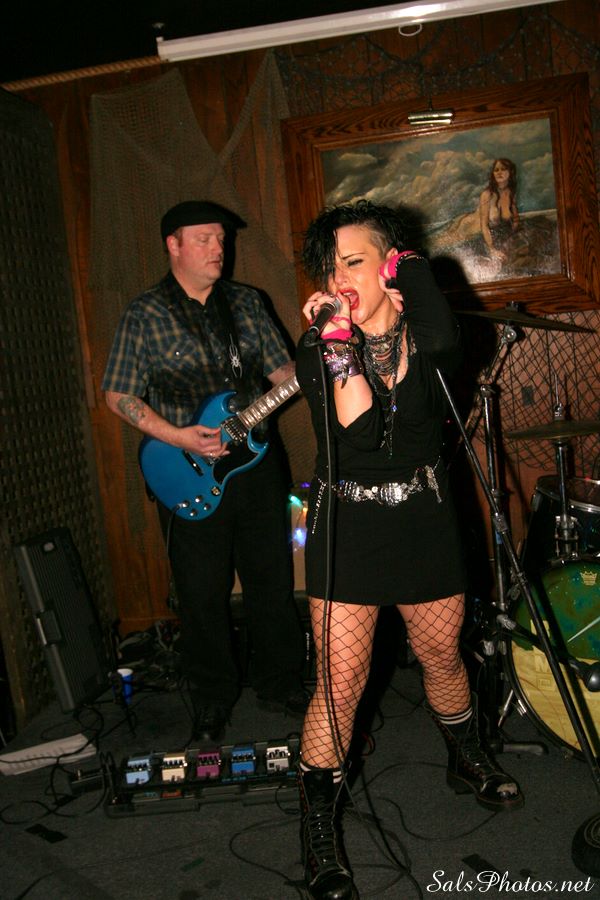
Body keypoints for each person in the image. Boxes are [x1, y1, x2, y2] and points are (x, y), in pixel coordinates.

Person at [294, 200, 523, 900]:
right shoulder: (319, 345)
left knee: (442, 656)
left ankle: (465, 753)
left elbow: (448, 340)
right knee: (339, 684)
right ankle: (318, 826)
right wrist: (338, 339)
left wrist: (410, 269)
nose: (339, 279)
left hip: (424, 520)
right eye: (329, 269)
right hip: (349, 529)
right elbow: (359, 432)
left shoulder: (426, 334)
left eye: (354, 262)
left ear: (390, 265)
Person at [102, 200, 307, 743]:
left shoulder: (246, 302)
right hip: (185, 469)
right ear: (173, 245)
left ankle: (281, 683)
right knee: (200, 591)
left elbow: (282, 371)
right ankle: (213, 697)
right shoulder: (145, 313)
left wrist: (315, 370)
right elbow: (118, 394)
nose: (219, 248)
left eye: (221, 238)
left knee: (272, 579)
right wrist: (178, 437)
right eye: (205, 239)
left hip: (257, 465)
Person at [478, 157, 520, 264]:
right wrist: (492, 249)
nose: (499, 172)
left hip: (507, 240)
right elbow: (484, 225)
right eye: (496, 170)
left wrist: (510, 242)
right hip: (489, 241)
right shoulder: (487, 195)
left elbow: (516, 220)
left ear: (510, 172)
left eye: (503, 169)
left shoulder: (511, 193)